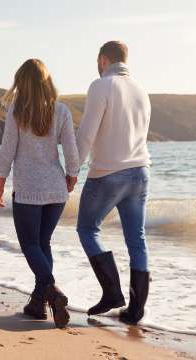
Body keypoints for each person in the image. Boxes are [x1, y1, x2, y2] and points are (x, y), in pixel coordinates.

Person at [0, 59, 79, 329]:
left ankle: (51, 291)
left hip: (29, 190)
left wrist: (0, 185)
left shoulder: (17, 111)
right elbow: (71, 150)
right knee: (43, 245)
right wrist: (72, 176)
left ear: (22, 83)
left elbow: (7, 150)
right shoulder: (62, 110)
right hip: (55, 190)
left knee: (31, 245)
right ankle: (38, 305)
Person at [76, 41, 151, 325]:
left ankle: (112, 293)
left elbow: (86, 135)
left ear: (103, 59)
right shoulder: (141, 89)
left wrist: (72, 170)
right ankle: (135, 311)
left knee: (87, 228)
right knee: (137, 239)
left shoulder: (101, 85)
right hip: (141, 171)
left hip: (108, 172)